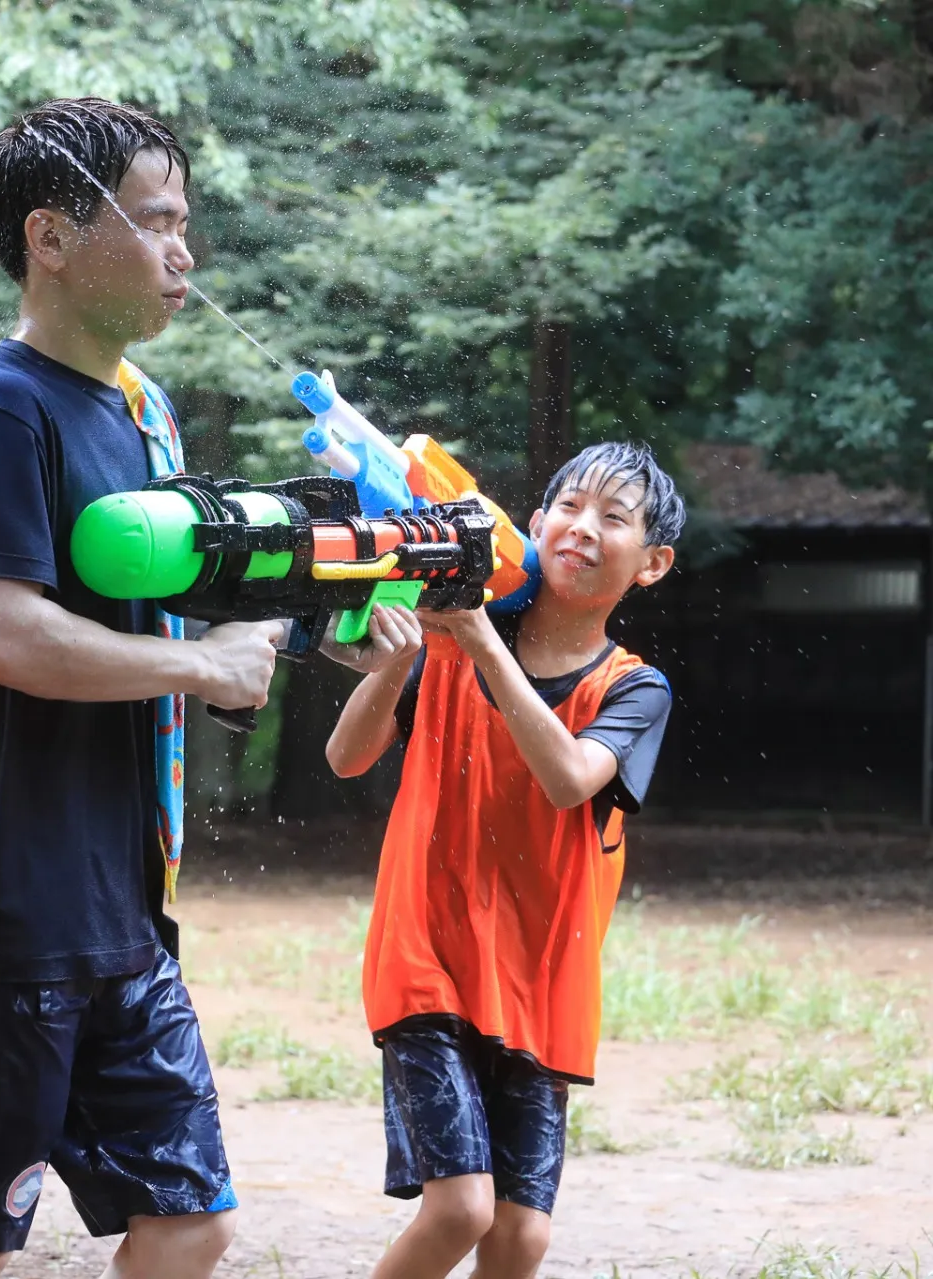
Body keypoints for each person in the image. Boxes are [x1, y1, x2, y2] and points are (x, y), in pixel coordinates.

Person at [0, 97, 417, 1279]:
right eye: (158, 220)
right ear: (51, 239)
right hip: (4, 917)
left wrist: (337, 624)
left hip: (123, 912)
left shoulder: (146, 411)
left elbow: (203, 586)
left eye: (187, 223)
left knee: (192, 1220)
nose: (187, 251)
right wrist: (197, 666)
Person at [326, 442, 684, 1279]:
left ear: (653, 563)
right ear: (532, 522)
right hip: (427, 956)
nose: (583, 528)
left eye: (614, 518)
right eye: (568, 506)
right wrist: (403, 657)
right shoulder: (448, 638)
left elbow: (568, 779)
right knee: (461, 1206)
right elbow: (347, 757)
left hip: (541, 979)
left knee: (521, 1237)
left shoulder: (637, 688)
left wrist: (478, 640)